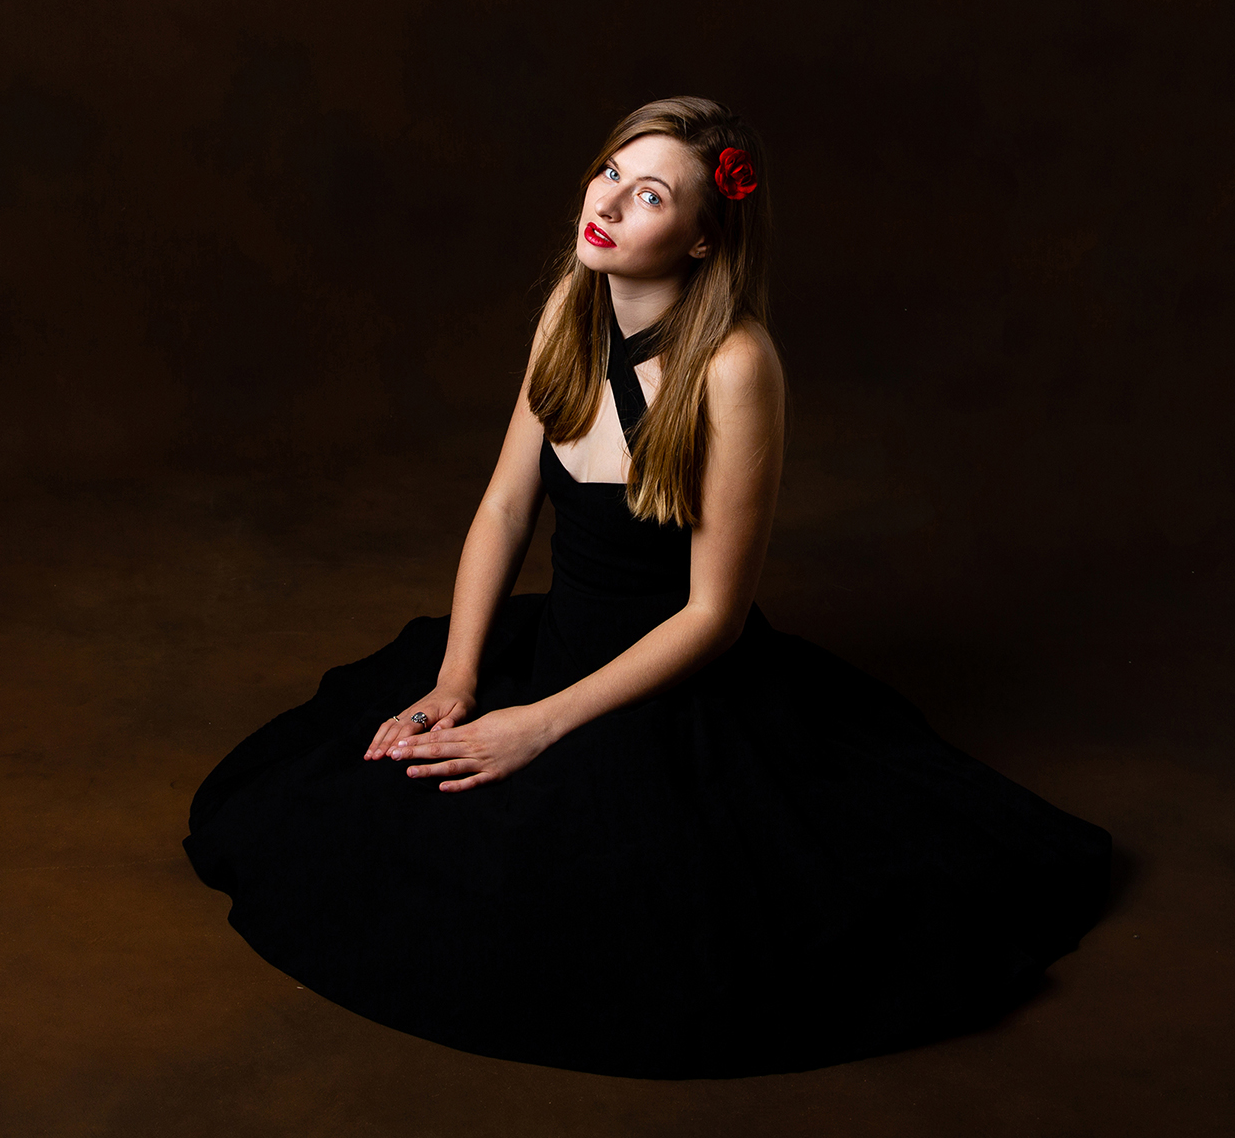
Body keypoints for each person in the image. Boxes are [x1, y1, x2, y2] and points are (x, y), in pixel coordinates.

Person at [184, 97, 1110, 1079]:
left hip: (670, 681)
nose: (612, 203)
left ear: (704, 235)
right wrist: (459, 681)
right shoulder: (566, 311)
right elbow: (505, 507)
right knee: (357, 814)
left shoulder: (737, 366)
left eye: (651, 192)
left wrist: (539, 724)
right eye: (611, 173)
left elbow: (713, 614)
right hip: (554, 643)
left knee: (609, 905)